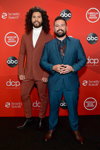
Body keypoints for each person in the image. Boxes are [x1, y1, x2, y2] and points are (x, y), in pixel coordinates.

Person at [40, 16, 87, 144]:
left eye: (62, 25)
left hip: (71, 82)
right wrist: (52, 67)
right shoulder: (48, 45)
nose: (59, 27)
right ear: (54, 28)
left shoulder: (76, 43)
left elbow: (83, 60)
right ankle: (51, 128)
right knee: (53, 108)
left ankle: (75, 130)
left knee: (72, 108)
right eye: (57, 26)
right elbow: (43, 62)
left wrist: (72, 68)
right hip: (54, 82)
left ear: (66, 27)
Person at [17, 7, 52, 129]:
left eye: (38, 16)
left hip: (42, 73)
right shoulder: (25, 35)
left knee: (43, 97)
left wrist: (46, 74)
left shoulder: (48, 36)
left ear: (43, 19)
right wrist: (21, 71)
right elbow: (22, 54)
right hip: (27, 73)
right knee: (24, 95)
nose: (36, 19)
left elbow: (51, 57)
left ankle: (42, 118)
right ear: (30, 19)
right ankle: (29, 118)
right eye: (33, 17)